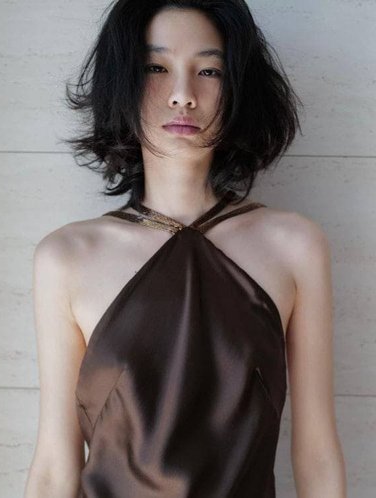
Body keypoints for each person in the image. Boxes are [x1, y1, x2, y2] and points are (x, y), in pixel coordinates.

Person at [24, 1, 347, 497]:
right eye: (156, 68)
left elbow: (318, 455)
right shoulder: (66, 257)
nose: (183, 95)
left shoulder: (295, 247)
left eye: (209, 71)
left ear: (238, 87)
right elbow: (54, 465)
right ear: (122, 82)